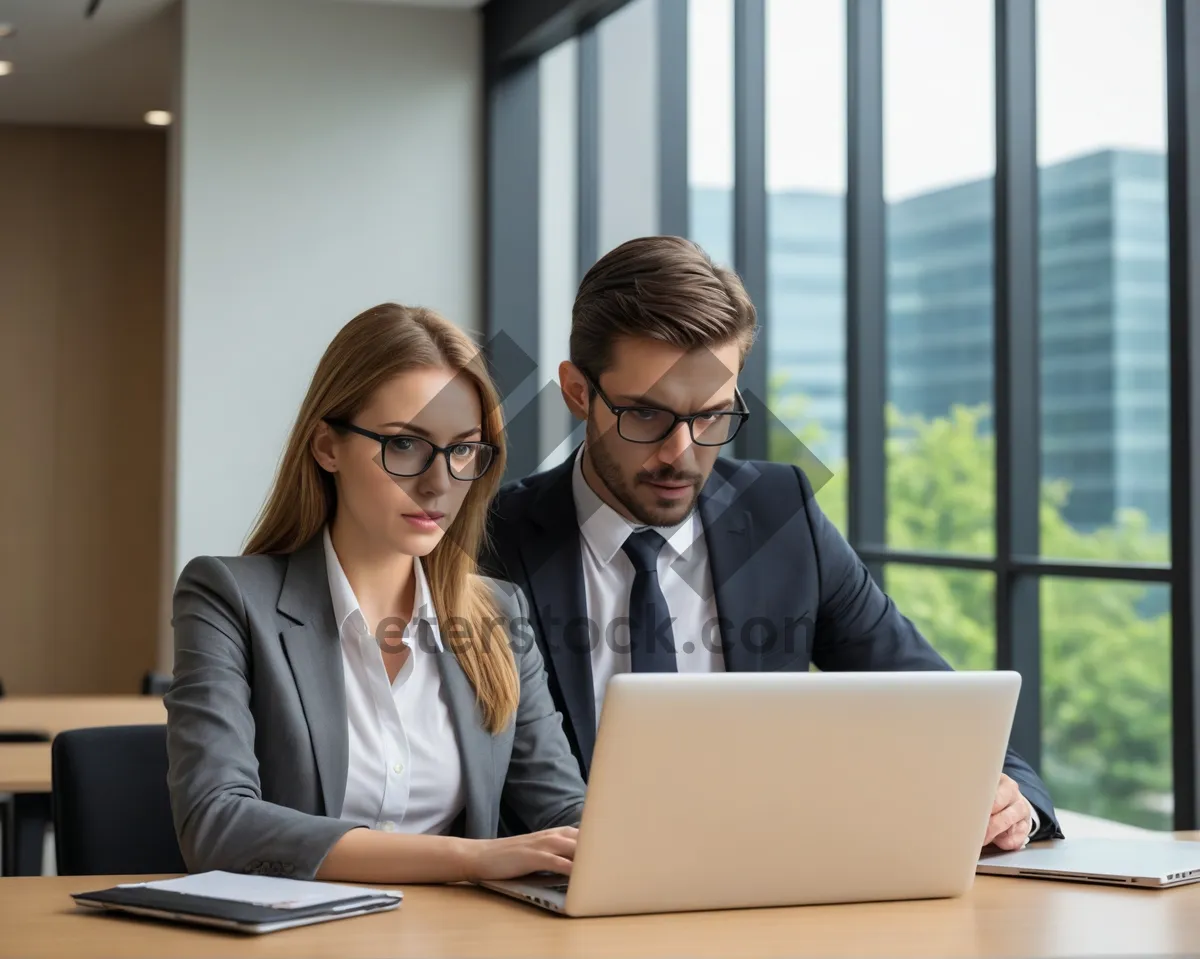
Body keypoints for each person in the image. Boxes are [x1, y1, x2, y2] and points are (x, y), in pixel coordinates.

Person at [482, 236, 1063, 852]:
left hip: (767, 887)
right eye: (646, 415)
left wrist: (1013, 803)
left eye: (711, 416)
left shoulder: (780, 515)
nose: (682, 453)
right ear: (577, 392)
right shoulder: (490, 539)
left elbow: (945, 714)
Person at [167, 303, 584, 884]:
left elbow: (564, 811)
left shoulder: (498, 614)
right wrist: (471, 858)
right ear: (327, 447)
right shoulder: (228, 598)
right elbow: (217, 823)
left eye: (462, 449)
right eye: (405, 445)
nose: (439, 482)